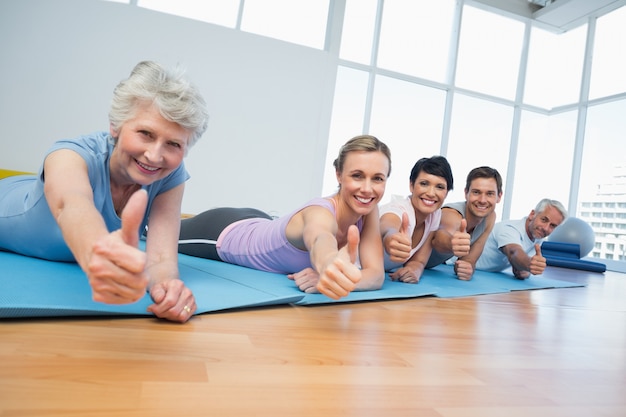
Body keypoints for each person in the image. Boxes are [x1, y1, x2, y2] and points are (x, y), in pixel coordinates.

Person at [0, 61, 210, 322]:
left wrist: (168, 289)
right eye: (145, 133)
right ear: (116, 126)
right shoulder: (69, 156)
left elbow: (160, 258)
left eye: (173, 144)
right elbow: (72, 206)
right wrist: (98, 253)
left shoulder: (170, 175)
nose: (155, 155)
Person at [178, 135, 391, 299]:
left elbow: (376, 276)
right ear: (338, 174)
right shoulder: (320, 213)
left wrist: (333, 280)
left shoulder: (370, 210)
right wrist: (327, 264)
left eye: (378, 179)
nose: (367, 189)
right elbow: (320, 238)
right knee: (152, 231)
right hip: (222, 233)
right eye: (357, 176)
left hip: (261, 220)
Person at [379, 155, 453, 284]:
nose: (431, 193)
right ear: (411, 185)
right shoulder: (399, 208)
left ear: (446, 193)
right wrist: (391, 238)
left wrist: (414, 270)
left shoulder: (434, 214)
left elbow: (419, 261)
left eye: (440, 187)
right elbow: (387, 225)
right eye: (424, 184)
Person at [425, 166, 503, 280]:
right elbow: (439, 238)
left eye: (490, 194)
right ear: (466, 193)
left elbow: (470, 258)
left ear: (499, 196)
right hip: (402, 262)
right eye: (476, 192)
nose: (482, 200)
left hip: (425, 269)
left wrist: (466, 267)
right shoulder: (452, 213)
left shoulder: (490, 217)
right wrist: (452, 243)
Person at [475, 198, 568, 279]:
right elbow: (513, 252)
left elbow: (523, 262)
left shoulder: (538, 236)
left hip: (488, 274)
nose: (546, 228)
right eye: (544, 220)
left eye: (552, 226)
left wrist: (524, 271)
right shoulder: (510, 228)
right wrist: (529, 264)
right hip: (468, 268)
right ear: (532, 214)